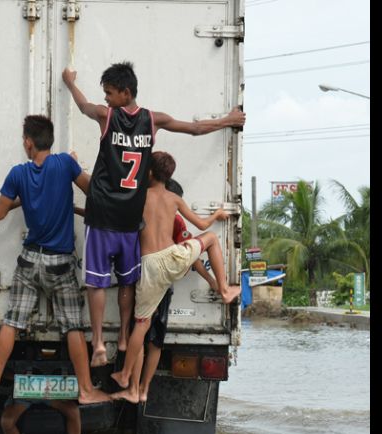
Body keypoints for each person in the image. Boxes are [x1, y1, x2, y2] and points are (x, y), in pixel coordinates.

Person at [62, 62, 245, 367]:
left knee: (96, 283)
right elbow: (195, 129)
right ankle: (122, 337)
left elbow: (82, 105)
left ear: (125, 93)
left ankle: (97, 343)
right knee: (126, 283)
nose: (105, 98)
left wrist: (69, 81)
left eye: (109, 93)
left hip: (102, 213)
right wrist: (229, 120)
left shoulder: (106, 117)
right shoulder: (153, 120)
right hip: (129, 220)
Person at [0, 115, 109, 405]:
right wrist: (75, 166)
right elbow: (94, 190)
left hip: (30, 260)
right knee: (72, 327)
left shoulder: (18, 174)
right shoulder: (65, 164)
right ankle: (87, 390)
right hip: (61, 262)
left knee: (12, 322)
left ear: (28, 143)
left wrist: (21, 198)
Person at [110, 151, 240, 402]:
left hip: (149, 265)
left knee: (141, 323)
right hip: (173, 258)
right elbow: (202, 227)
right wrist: (216, 216)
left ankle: (127, 378)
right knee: (211, 239)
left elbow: (118, 221)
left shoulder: (137, 198)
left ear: (148, 173)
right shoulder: (174, 199)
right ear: (169, 176)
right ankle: (224, 290)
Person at [136, 178, 218, 403]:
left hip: (139, 279)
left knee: (139, 333)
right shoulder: (177, 223)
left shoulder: (138, 210)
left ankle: (133, 386)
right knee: (155, 341)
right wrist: (212, 281)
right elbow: (191, 257)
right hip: (161, 285)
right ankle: (143, 390)